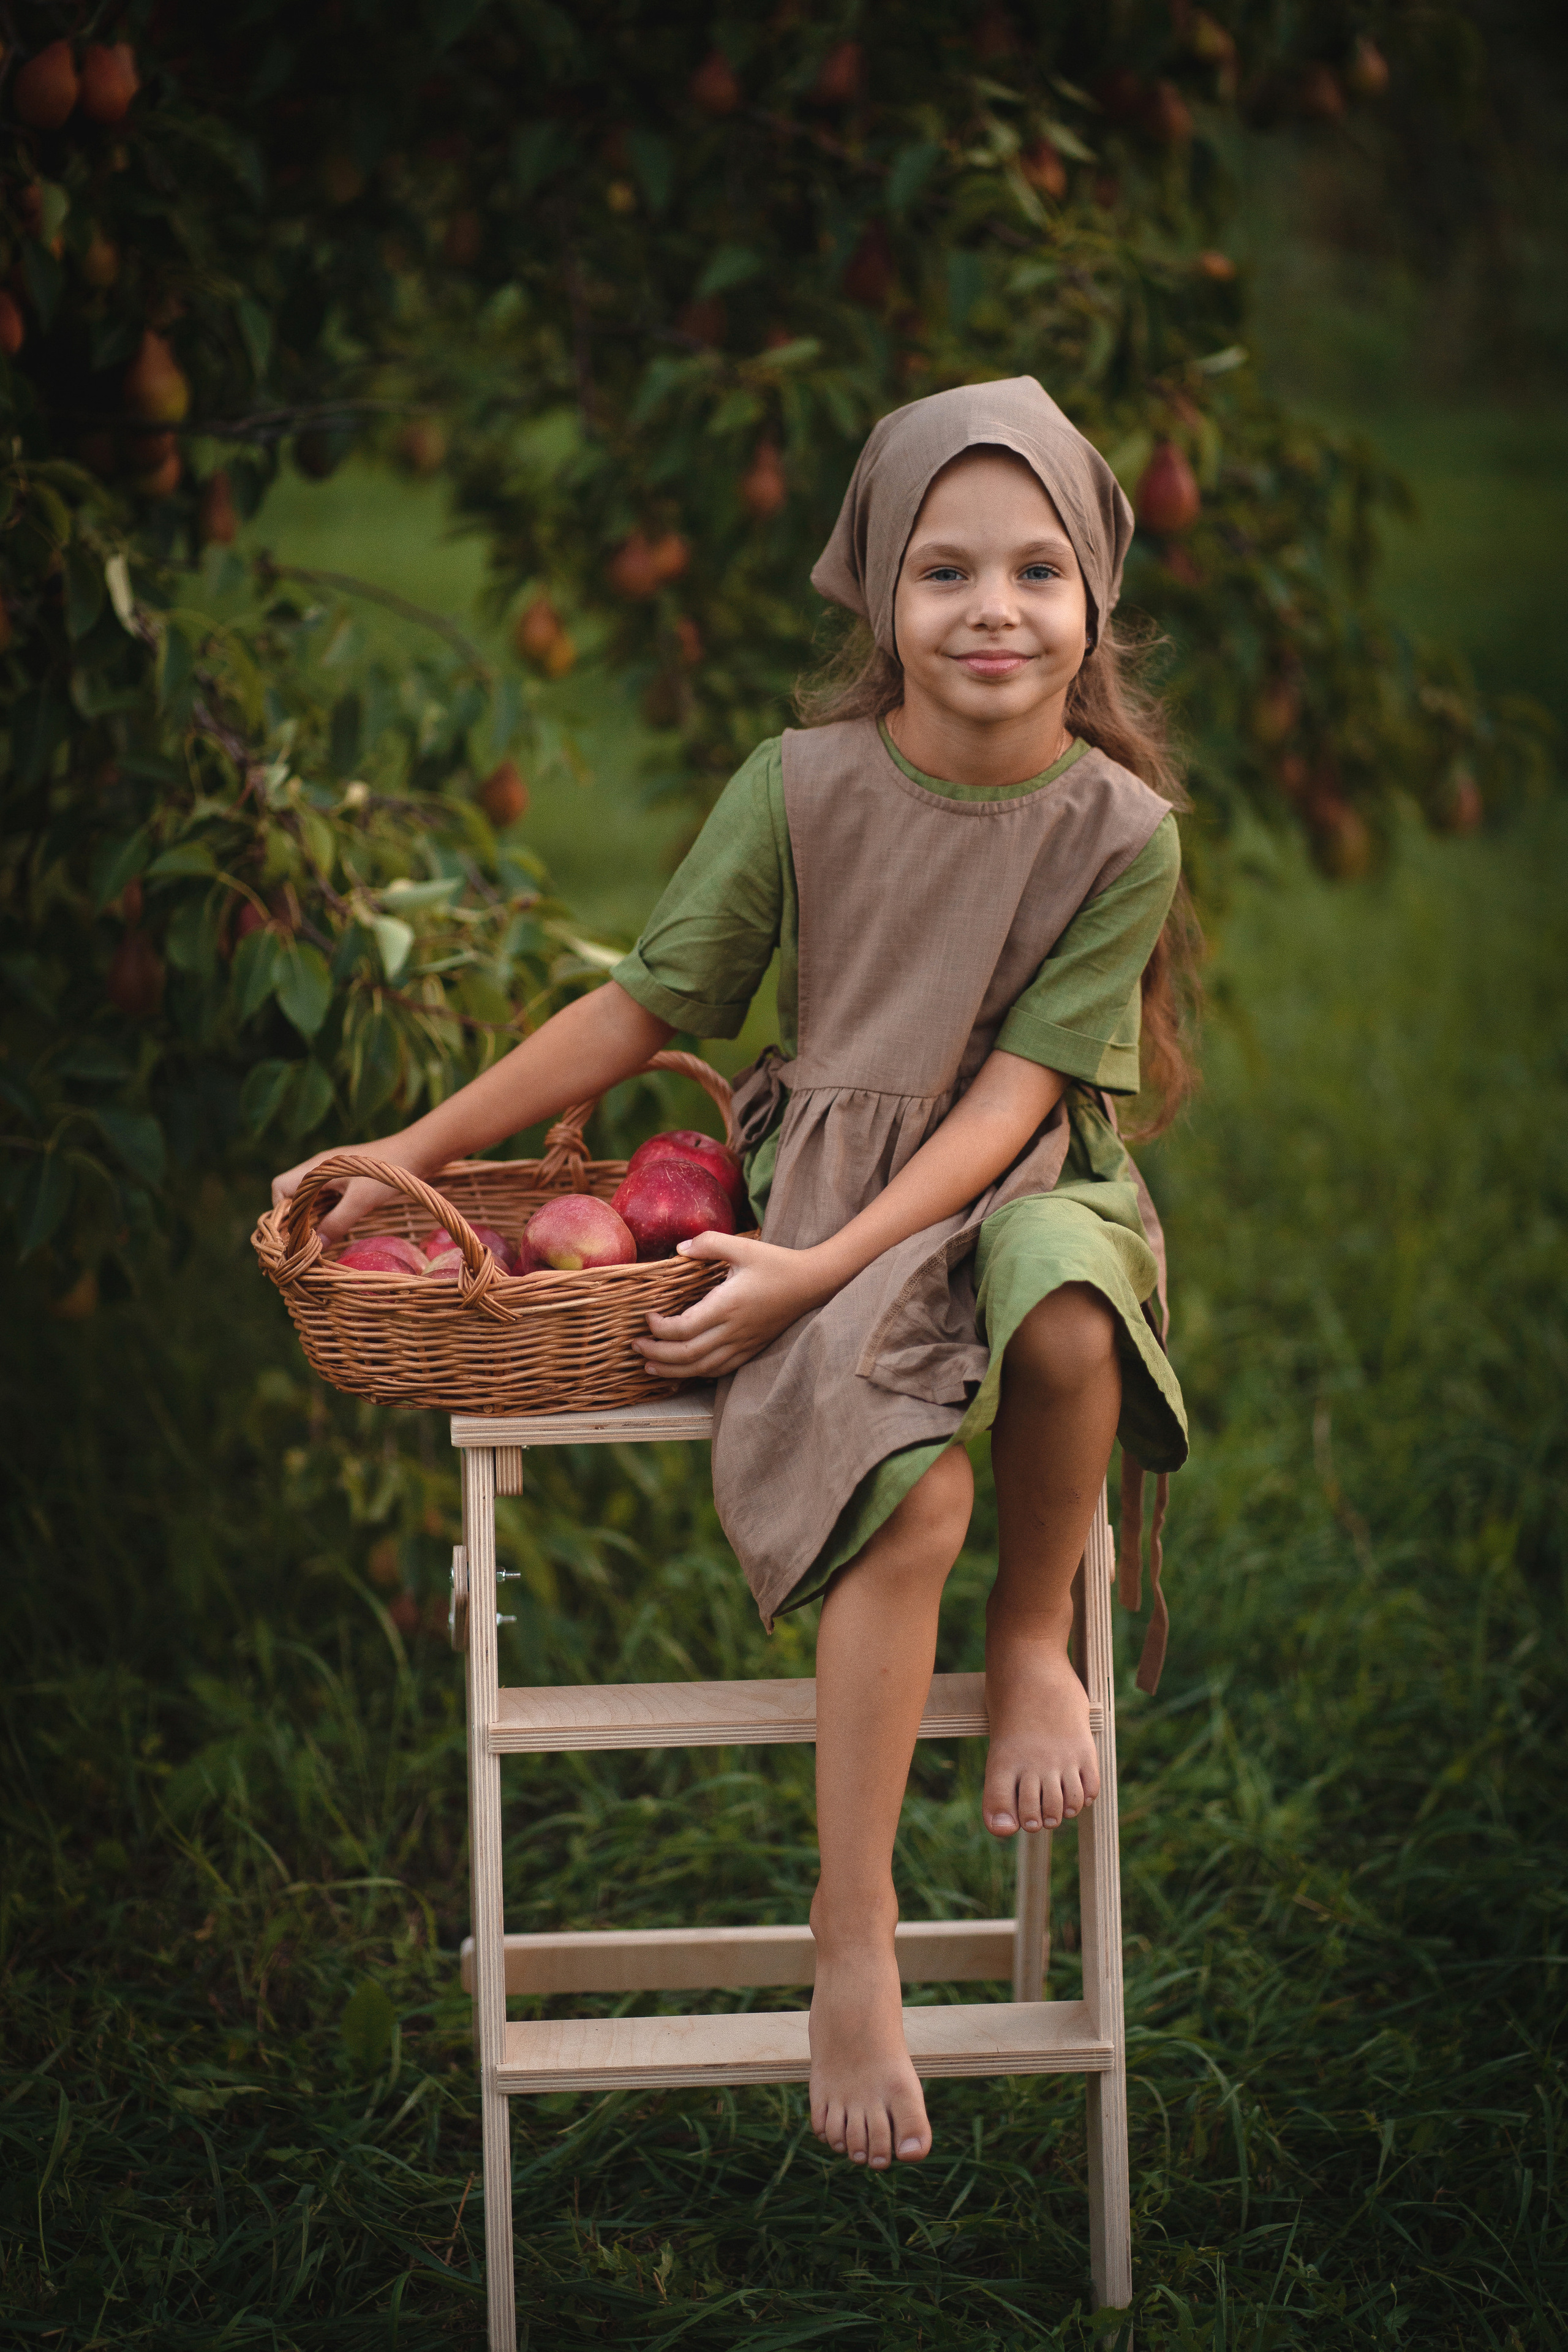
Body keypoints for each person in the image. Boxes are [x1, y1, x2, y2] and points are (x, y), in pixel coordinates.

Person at [273, 376, 1194, 2179]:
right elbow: (647, 1006)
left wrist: (817, 1276)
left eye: (1037, 571)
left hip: (1015, 1177)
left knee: (1075, 1299)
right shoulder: (802, 786)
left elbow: (1015, 1103)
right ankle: (854, 1936)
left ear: (1095, 599)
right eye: (944, 570)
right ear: (877, 589)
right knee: (910, 1492)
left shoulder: (1121, 832)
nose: (994, 611)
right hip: (822, 1182)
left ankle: (1031, 1641)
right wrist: (415, 1151)